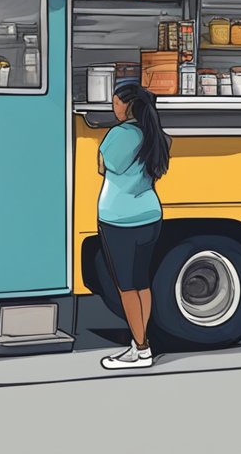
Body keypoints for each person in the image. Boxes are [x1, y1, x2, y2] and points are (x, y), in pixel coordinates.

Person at [97, 80, 170, 370]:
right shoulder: (155, 135)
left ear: (128, 106)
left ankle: (141, 349)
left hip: (119, 218)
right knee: (141, 284)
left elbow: (103, 165)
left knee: (126, 287)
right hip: (149, 215)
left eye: (116, 102)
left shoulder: (120, 135)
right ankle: (140, 344)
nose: (113, 107)